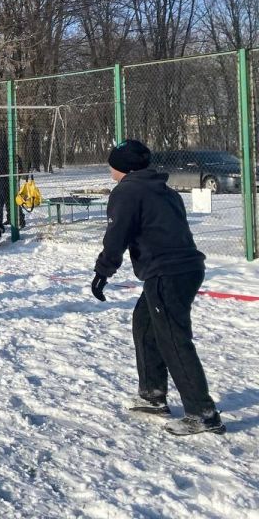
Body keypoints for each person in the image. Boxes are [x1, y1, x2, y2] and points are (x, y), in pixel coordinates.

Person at [91, 139, 225, 436]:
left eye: (112, 164)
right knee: (145, 325)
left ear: (123, 167)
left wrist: (103, 271)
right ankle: (152, 395)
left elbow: (117, 236)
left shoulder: (127, 192)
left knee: (173, 339)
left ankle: (202, 412)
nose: (109, 169)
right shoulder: (164, 190)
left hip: (167, 273)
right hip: (185, 269)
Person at [0, 136, 24, 228]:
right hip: (12, 183)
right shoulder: (14, 157)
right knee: (14, 202)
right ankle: (19, 219)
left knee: (0, 205)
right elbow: (20, 170)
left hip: (0, 183)